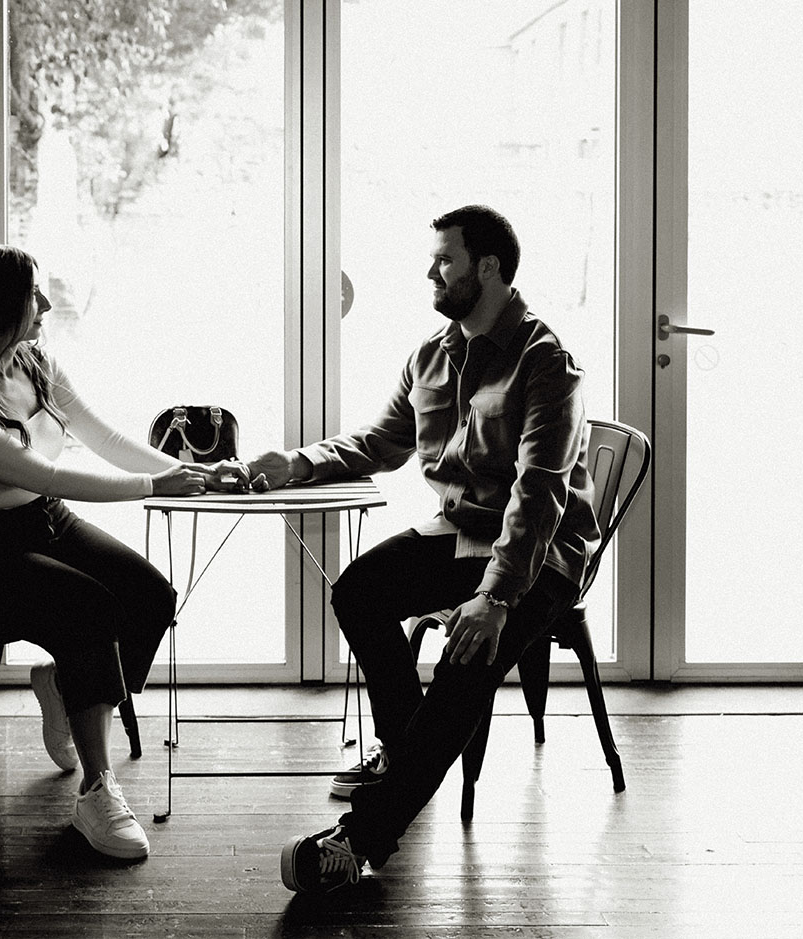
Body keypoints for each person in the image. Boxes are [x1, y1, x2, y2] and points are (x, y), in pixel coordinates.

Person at [248, 205, 601, 894]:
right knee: (356, 590)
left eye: (444, 258)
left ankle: (360, 839)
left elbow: (539, 492)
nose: (430, 271)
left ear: (488, 266)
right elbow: (378, 443)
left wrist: (495, 597)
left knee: (462, 664)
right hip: (460, 533)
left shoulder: (545, 362)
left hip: (537, 555)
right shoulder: (431, 355)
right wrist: (296, 462)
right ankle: (409, 755)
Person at [0, 243, 250, 861]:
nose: (46, 304)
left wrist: (191, 472)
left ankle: (64, 684)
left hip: (46, 521)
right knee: (89, 610)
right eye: (33, 295)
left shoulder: (34, 363)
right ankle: (97, 793)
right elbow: (49, 474)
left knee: (151, 595)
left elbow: (100, 437)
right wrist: (156, 487)